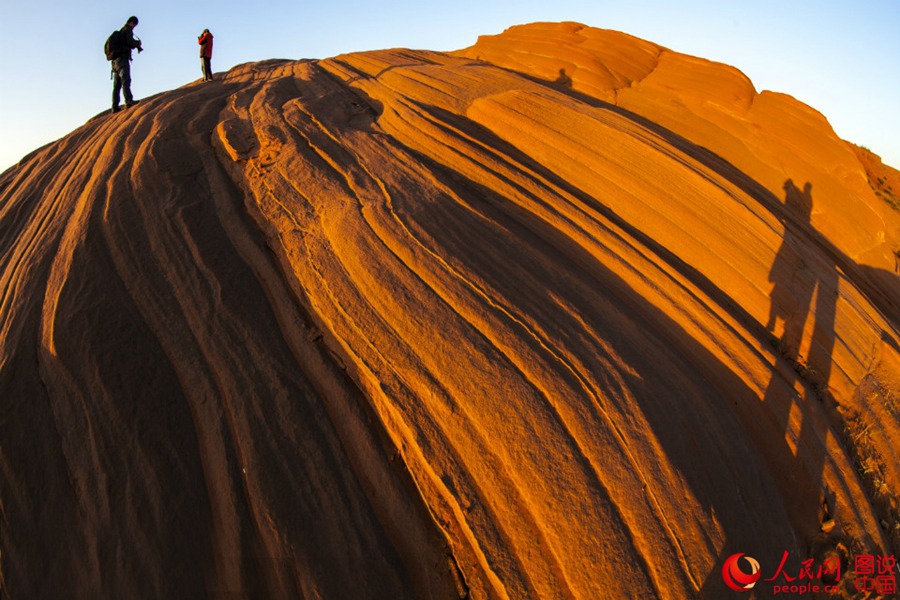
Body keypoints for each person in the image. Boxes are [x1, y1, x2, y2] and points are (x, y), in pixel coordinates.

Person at [111, 16, 143, 112]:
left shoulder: (120, 32)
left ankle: (115, 107)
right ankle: (128, 100)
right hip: (122, 59)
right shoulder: (127, 30)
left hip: (114, 62)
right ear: (133, 23)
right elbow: (129, 42)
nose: (134, 27)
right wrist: (137, 44)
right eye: (135, 25)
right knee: (126, 80)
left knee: (117, 85)